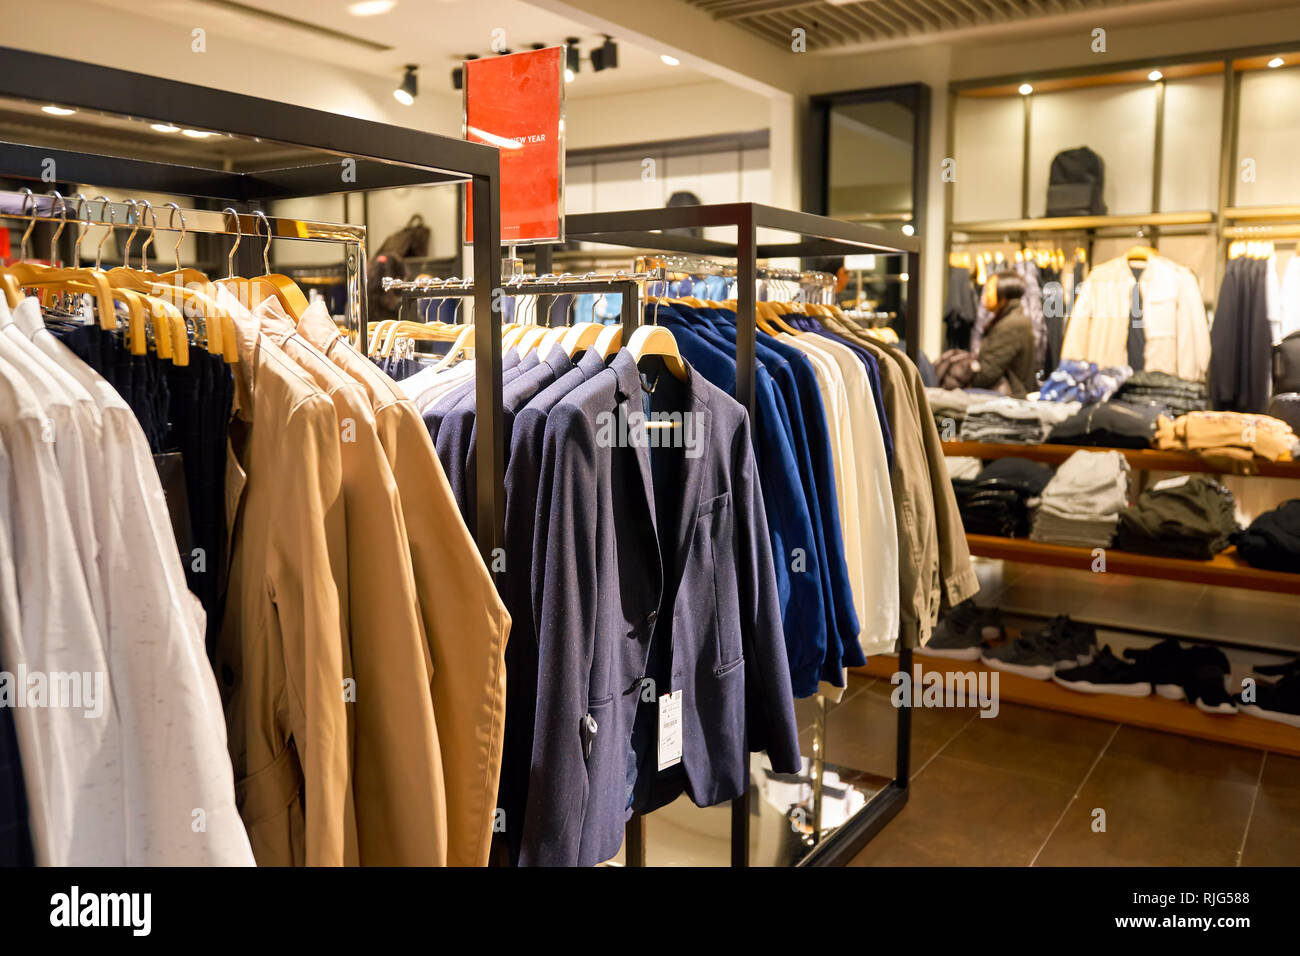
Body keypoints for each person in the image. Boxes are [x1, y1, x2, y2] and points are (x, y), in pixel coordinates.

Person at [971, 270, 1036, 398]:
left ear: (1003, 294)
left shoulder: (1012, 325)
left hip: (1008, 400)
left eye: (989, 290)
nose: (984, 296)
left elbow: (988, 373)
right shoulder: (1010, 319)